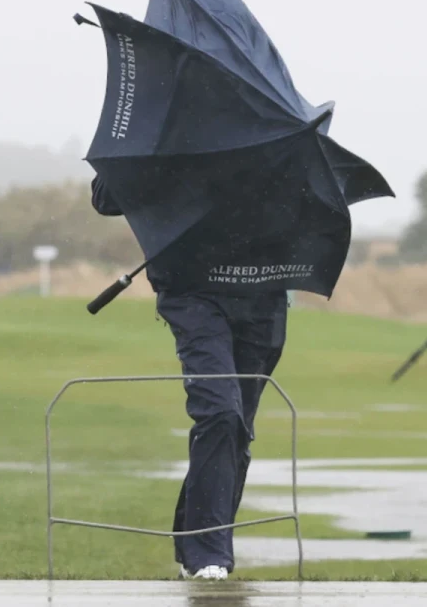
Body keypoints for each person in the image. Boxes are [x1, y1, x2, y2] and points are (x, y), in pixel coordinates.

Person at [91, 175, 287, 581]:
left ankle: (192, 544)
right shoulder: (176, 128)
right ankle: (207, 554)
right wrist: (176, 171)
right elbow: (106, 197)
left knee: (236, 432)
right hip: (192, 292)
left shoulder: (275, 152)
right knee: (220, 413)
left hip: (261, 298)